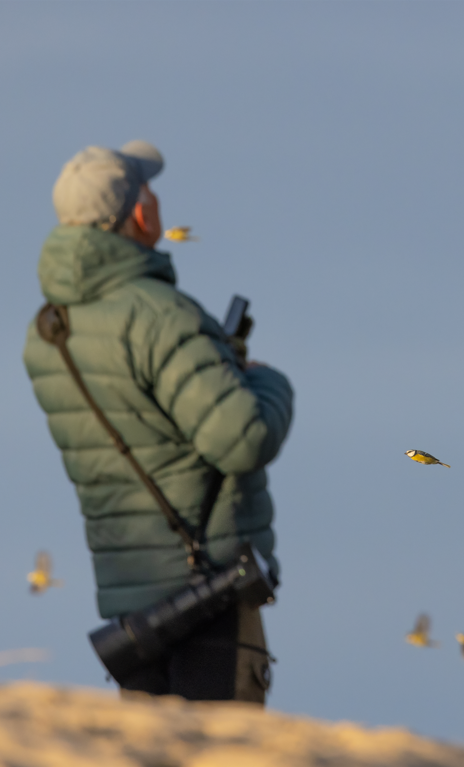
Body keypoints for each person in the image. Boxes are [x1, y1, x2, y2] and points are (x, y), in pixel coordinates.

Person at [23, 141, 294, 705]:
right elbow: (245, 438)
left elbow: (138, 430)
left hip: (132, 605)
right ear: (139, 215)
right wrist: (267, 381)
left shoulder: (50, 329)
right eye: (149, 190)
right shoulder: (160, 314)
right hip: (208, 590)